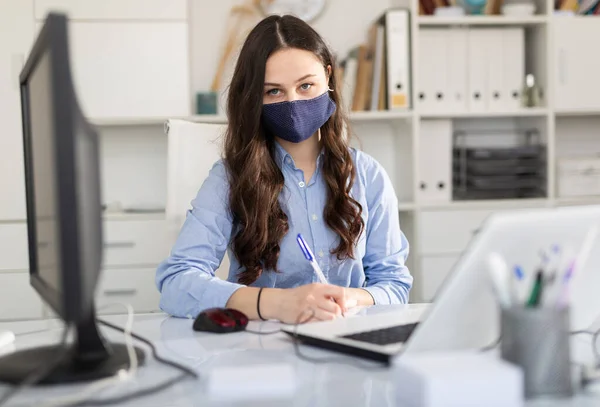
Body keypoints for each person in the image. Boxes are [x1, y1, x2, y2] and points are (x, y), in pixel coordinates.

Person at [156, 14, 413, 324]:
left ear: (329, 78)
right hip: (262, 351)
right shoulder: (229, 178)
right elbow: (177, 282)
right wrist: (278, 303)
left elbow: (395, 285)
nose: (293, 103)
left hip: (349, 341)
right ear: (253, 97)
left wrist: (351, 298)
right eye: (273, 92)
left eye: (306, 85)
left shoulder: (368, 175)